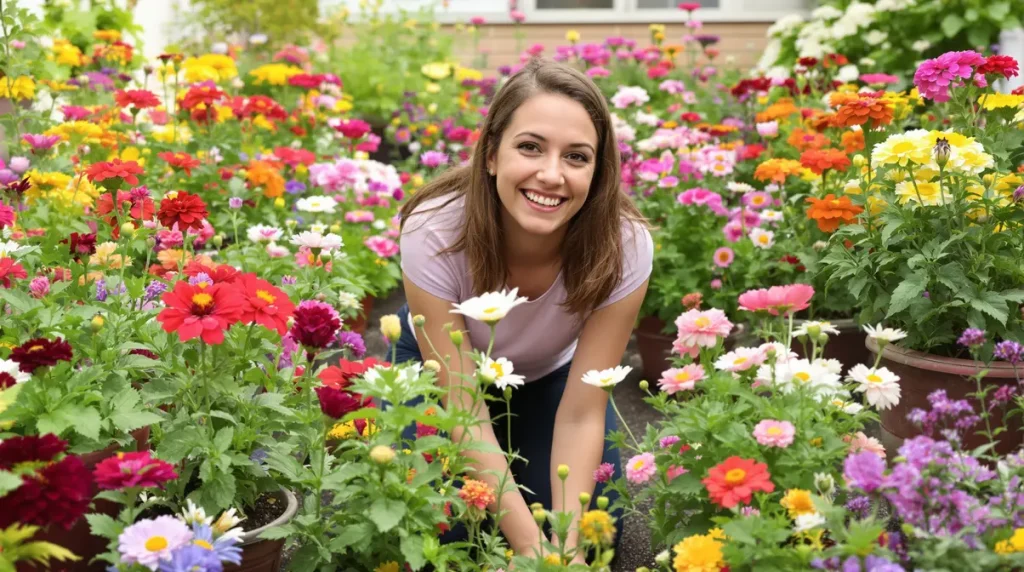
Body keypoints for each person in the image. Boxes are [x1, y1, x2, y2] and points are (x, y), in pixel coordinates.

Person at [393, 57, 652, 563]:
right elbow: (463, 411)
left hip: (550, 379)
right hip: (444, 378)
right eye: (530, 147)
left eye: (577, 157)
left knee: (595, 533)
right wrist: (535, 550)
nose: (551, 175)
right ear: (491, 154)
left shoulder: (625, 245)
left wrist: (566, 553)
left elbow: (581, 413)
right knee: (445, 533)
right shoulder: (434, 230)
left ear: (598, 171)